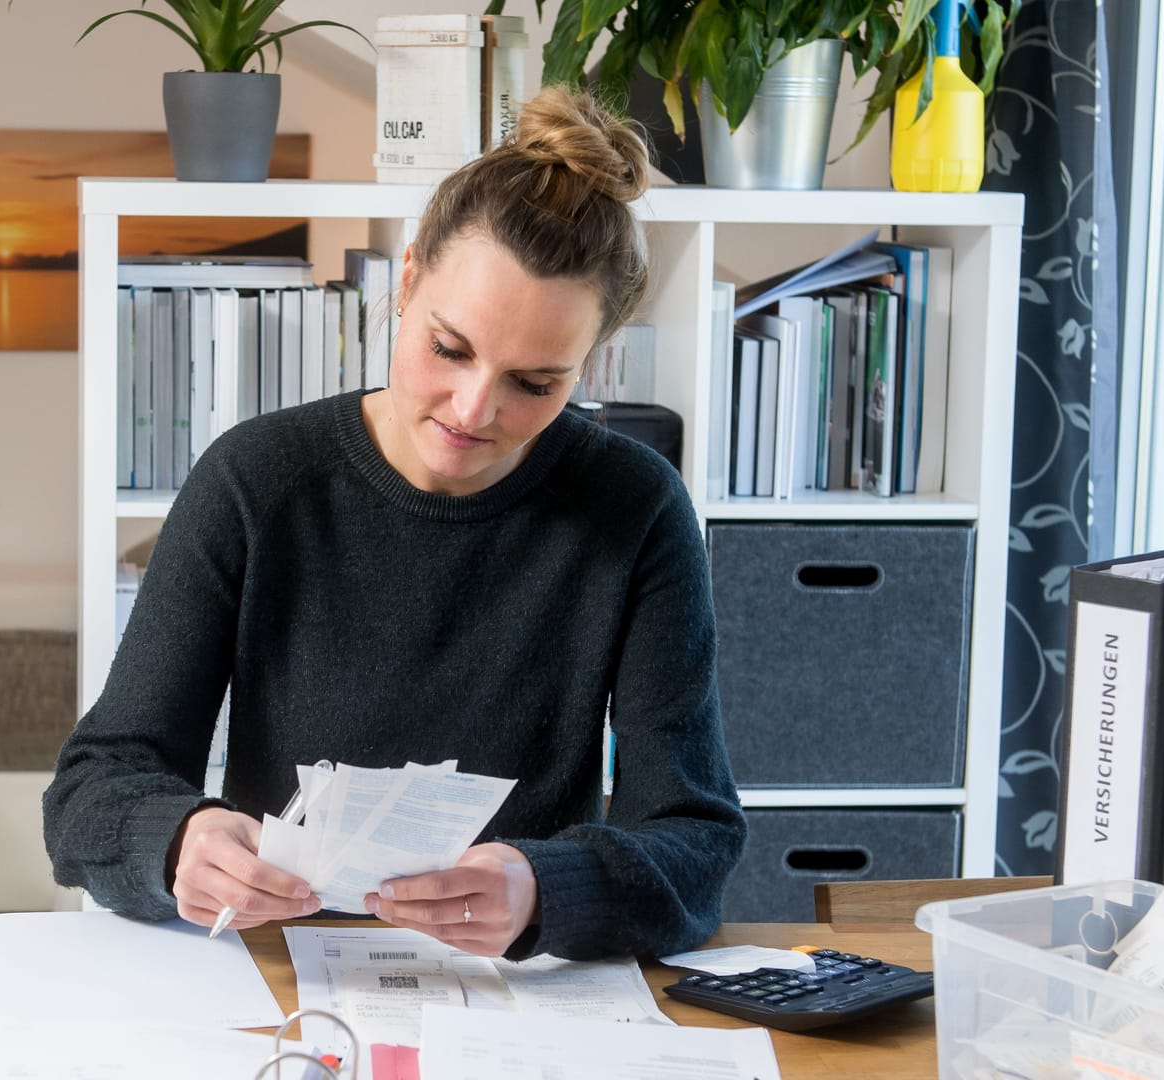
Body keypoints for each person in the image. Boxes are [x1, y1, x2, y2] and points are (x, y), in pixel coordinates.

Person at [44, 85, 746, 962]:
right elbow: (88, 794)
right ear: (407, 279)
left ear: (592, 360)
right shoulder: (256, 482)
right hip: (280, 976)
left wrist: (542, 888)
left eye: (535, 383)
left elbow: (697, 845)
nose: (473, 408)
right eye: (449, 349)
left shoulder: (634, 509)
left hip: (519, 998)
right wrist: (179, 842)